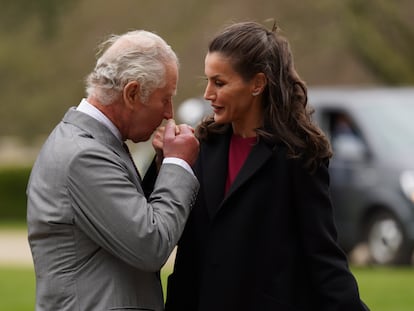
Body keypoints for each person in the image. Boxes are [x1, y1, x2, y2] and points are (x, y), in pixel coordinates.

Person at [161, 21, 370, 310]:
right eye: (208, 80)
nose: (208, 93)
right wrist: (166, 159)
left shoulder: (298, 156)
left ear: (258, 84)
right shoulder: (202, 147)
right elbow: (185, 249)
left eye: (219, 82)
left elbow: (322, 258)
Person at [26, 30, 199, 311]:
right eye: (165, 98)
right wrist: (177, 164)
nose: (169, 113)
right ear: (132, 93)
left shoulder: (92, 145)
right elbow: (151, 244)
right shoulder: (84, 156)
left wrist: (162, 165)